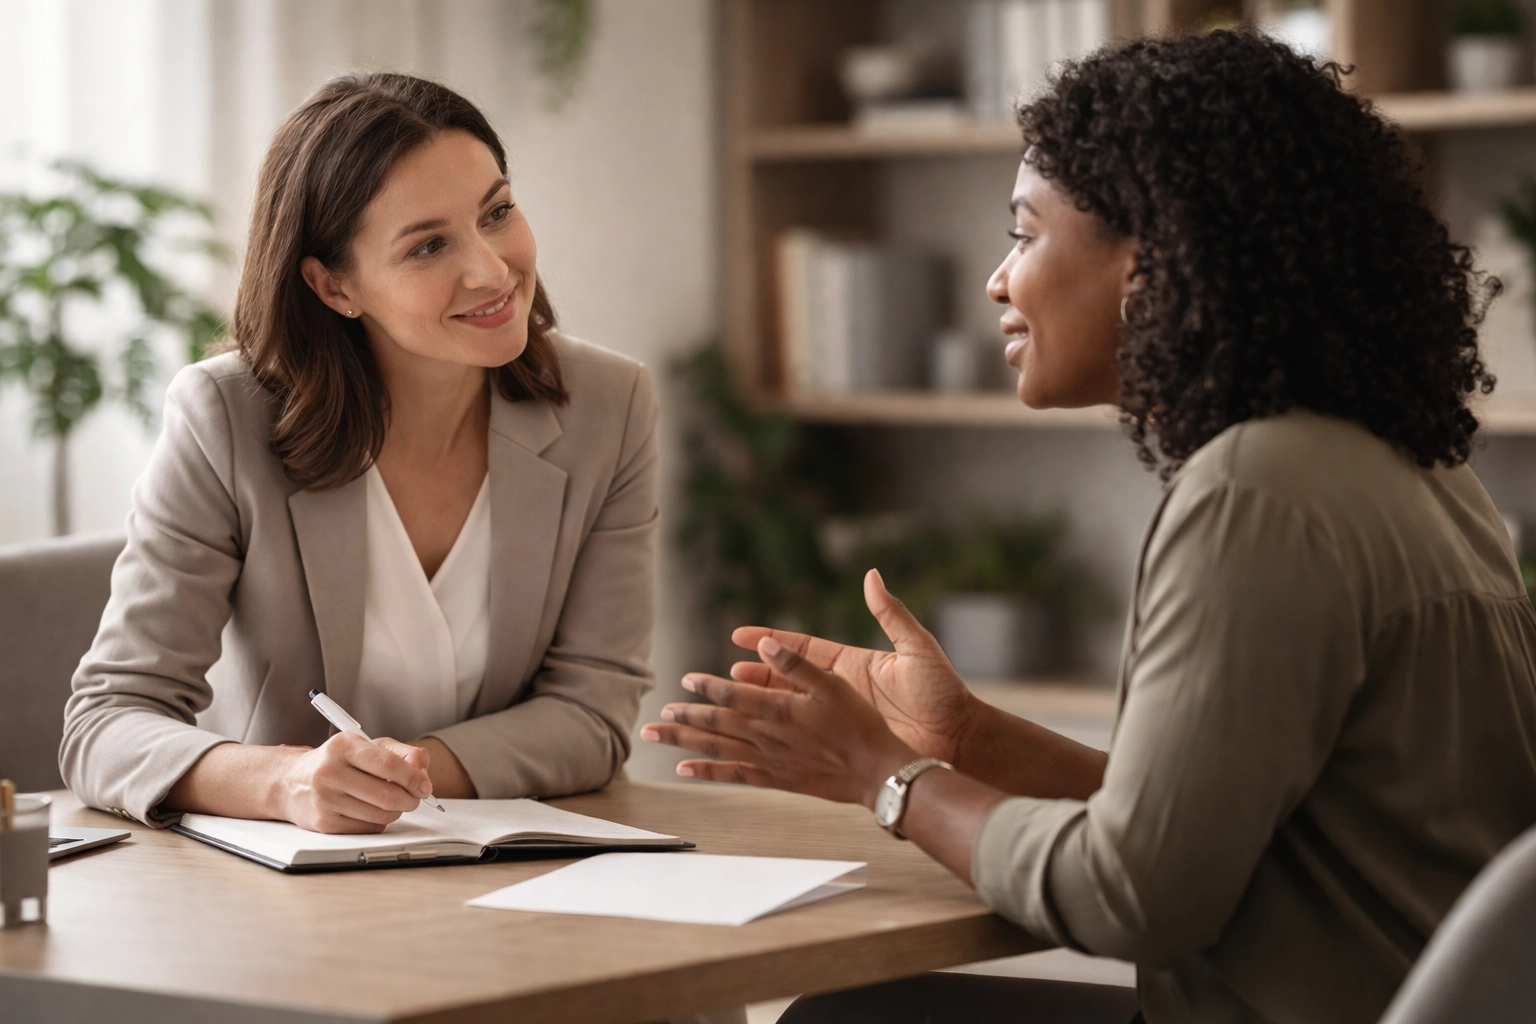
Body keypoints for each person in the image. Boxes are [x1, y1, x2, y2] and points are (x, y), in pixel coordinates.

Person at [642, 30, 1536, 1024]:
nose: (997, 279)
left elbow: (1131, 896)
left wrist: (883, 775)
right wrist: (967, 737)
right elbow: (1204, 829)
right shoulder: (1412, 466)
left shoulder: (1257, 491)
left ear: (1151, 260)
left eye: (1025, 233)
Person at [60, 72, 658, 835]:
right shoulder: (225, 417)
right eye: (429, 245)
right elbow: (107, 722)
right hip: (274, 893)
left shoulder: (610, 405)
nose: (491, 268)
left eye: (497, 212)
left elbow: (593, 714)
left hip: (518, 874)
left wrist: (403, 773)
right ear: (333, 285)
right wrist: (288, 780)